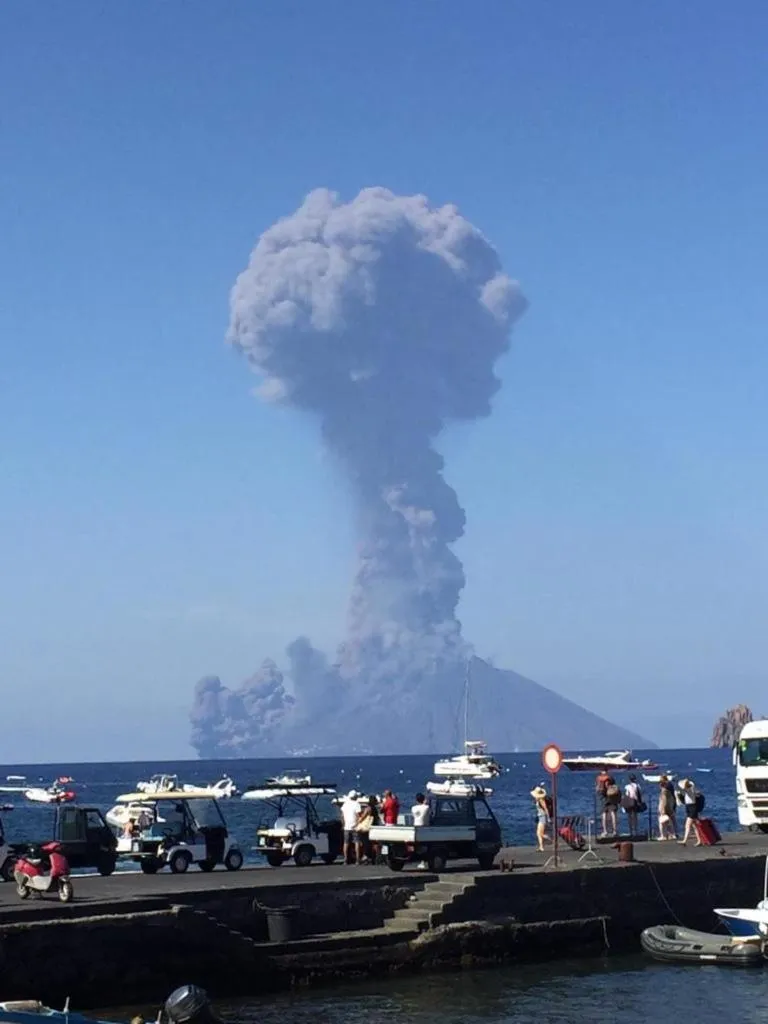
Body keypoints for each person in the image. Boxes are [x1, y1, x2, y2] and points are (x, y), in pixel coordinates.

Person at [678, 779, 703, 846]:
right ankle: (699, 840)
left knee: (687, 825)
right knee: (694, 826)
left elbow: (683, 788)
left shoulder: (689, 789)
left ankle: (685, 840)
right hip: (690, 807)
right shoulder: (690, 789)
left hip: (692, 808)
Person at [340, 789, 362, 864]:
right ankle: (357, 860)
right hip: (354, 826)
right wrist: (358, 823)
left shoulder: (345, 804)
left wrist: (343, 825)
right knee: (357, 842)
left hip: (346, 827)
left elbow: (342, 816)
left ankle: (345, 859)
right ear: (355, 797)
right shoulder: (357, 804)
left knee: (346, 843)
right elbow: (358, 815)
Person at [597, 772, 620, 836]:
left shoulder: (601, 782)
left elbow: (598, 792)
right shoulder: (613, 784)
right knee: (613, 814)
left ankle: (605, 831)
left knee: (604, 814)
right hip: (612, 800)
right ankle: (615, 831)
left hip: (604, 799)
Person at [530, 784, 552, 852]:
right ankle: (541, 847)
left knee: (541, 834)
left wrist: (548, 818)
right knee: (538, 833)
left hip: (543, 817)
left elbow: (545, 809)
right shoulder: (538, 800)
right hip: (540, 817)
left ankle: (552, 840)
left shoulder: (541, 800)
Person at [657, 776, 677, 840]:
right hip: (671, 805)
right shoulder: (670, 787)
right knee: (671, 820)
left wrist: (662, 809)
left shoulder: (664, 790)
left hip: (666, 806)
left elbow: (664, 800)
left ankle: (663, 835)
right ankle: (672, 834)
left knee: (662, 821)